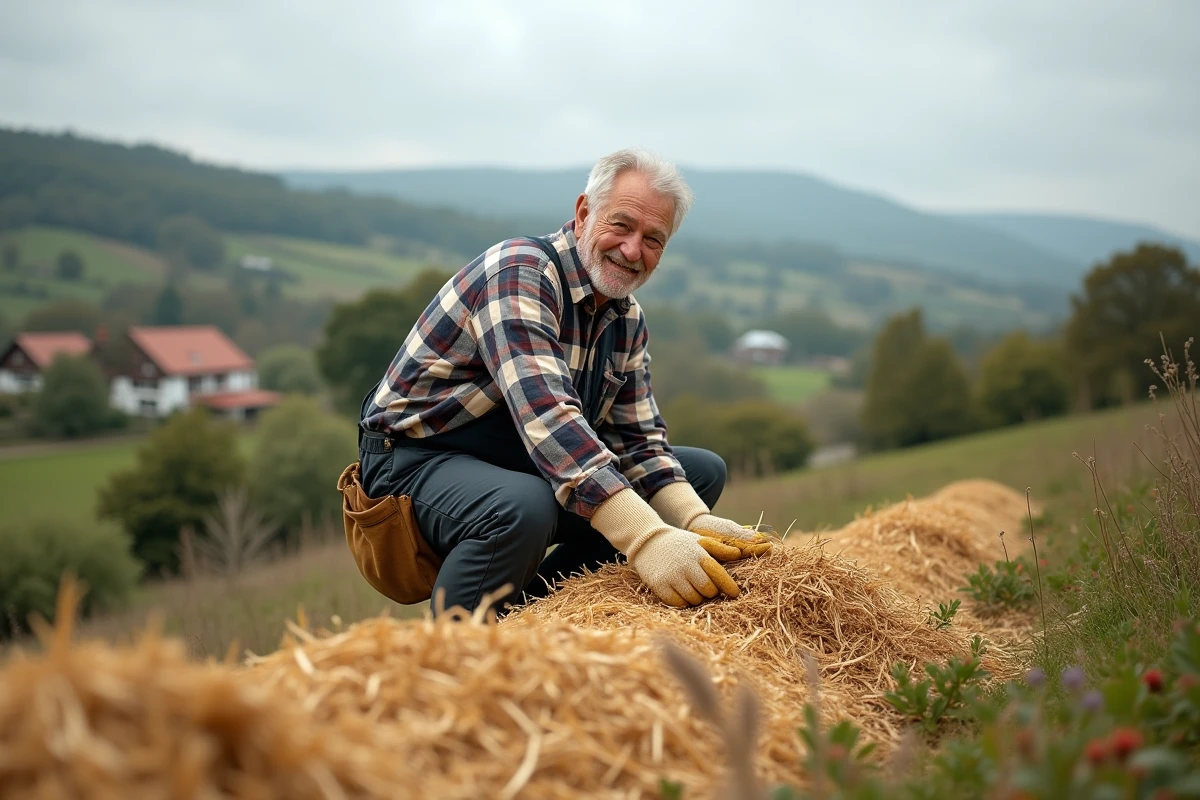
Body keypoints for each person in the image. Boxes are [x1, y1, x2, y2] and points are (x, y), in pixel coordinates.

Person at [355, 147, 772, 616]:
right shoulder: (519, 272)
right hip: (415, 461)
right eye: (621, 225)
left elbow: (639, 441)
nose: (633, 251)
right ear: (583, 213)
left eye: (654, 239)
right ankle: (454, 653)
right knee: (522, 506)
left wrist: (695, 519)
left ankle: (540, 615)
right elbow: (548, 417)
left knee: (700, 471)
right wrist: (648, 536)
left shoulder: (626, 319)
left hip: (522, 462)